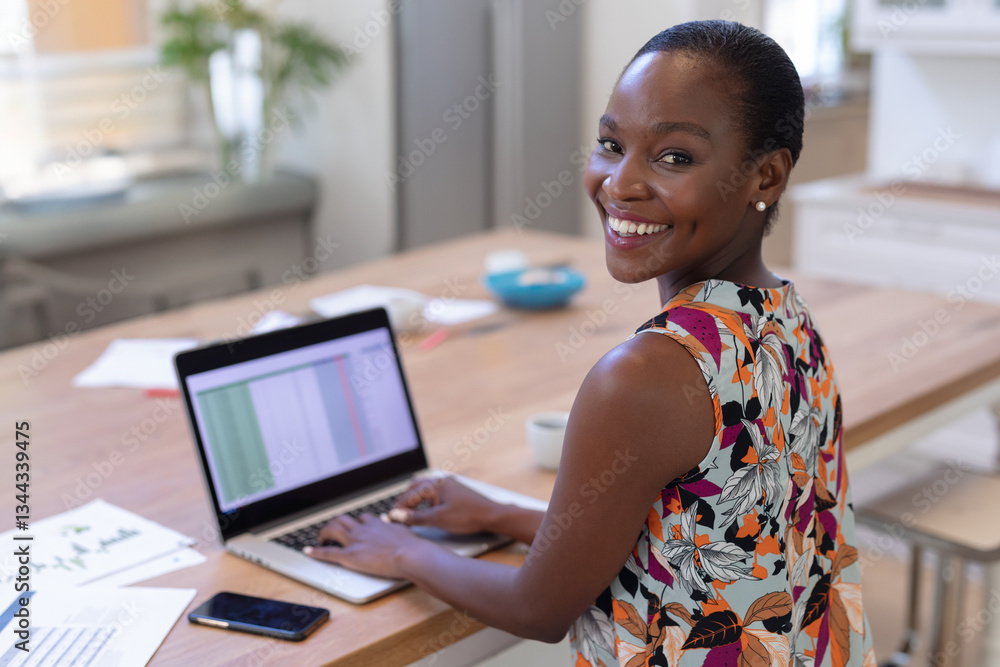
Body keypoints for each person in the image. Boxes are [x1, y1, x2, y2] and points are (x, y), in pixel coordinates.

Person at [306, 20, 876, 666]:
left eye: (674, 157)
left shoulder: (645, 374)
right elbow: (711, 525)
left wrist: (400, 549)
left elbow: (537, 608)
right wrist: (505, 513)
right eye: (610, 143)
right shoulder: (787, 318)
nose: (620, 183)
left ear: (766, 177)